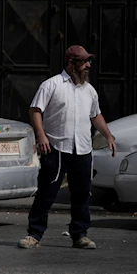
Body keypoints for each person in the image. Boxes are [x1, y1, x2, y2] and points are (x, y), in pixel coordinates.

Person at [18, 45, 117, 250]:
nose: (88, 65)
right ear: (72, 64)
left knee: (82, 193)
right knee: (47, 192)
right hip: (56, 147)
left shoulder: (89, 90)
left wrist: (108, 135)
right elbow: (35, 110)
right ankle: (34, 234)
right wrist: (41, 136)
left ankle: (79, 234)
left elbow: (95, 115)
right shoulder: (52, 85)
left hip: (82, 149)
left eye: (89, 61)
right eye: (84, 62)